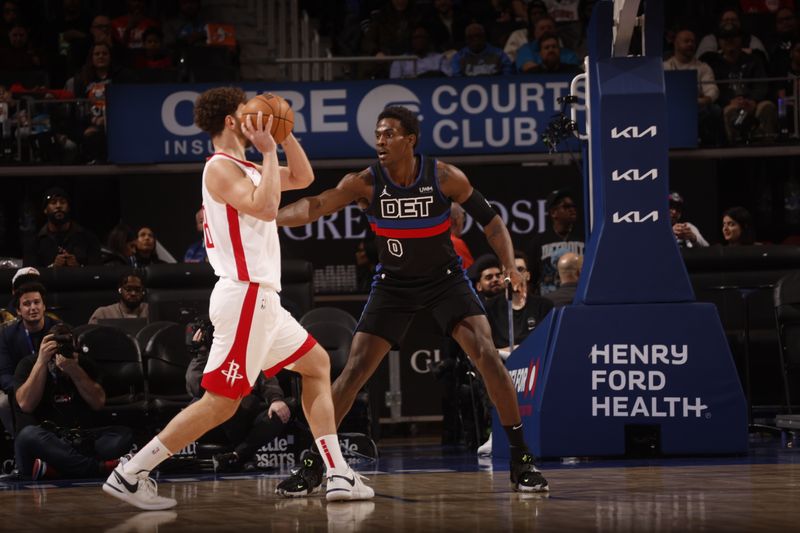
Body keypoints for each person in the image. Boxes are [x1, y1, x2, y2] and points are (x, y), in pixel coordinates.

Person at [102, 86, 373, 510]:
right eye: (247, 113)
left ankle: (337, 471)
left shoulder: (246, 164)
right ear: (231, 121)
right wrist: (267, 151)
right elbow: (266, 209)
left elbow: (302, 179)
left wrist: (282, 138)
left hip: (262, 300)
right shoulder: (219, 168)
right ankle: (131, 473)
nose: (254, 118)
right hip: (246, 297)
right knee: (221, 404)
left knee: (317, 364)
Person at [277, 105, 548, 495]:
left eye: (389, 134)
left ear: (410, 139)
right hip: (395, 285)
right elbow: (316, 205)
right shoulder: (365, 183)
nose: (380, 141)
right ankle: (313, 463)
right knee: (353, 371)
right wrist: (269, 217)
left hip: (445, 280)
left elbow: (492, 223)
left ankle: (521, 459)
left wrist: (511, 266)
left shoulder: (444, 177)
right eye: (378, 134)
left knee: (488, 355)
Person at [14, 322, 134, 480]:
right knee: (28, 435)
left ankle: (58, 469)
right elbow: (26, 404)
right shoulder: (29, 364)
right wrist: (42, 362)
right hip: (47, 440)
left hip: (79, 439)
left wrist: (74, 370)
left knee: (123, 434)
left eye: (66, 344)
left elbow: (98, 402)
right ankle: (97, 468)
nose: (60, 349)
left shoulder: (83, 364)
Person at [184, 318, 293, 472]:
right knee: (201, 404)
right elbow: (195, 388)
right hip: (215, 418)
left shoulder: (251, 350)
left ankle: (236, 456)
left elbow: (268, 381)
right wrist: (200, 353)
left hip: (245, 415)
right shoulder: (207, 354)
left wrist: (276, 400)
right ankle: (243, 456)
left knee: (280, 409)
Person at [0, 282, 58, 436]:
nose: (33, 307)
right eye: (26, 304)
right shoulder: (7, 335)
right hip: (21, 387)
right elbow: (4, 374)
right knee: (7, 402)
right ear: (18, 311)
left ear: (44, 306)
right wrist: (22, 388)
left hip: (53, 385)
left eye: (37, 302)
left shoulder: (58, 329)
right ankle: (18, 443)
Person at [484, 251, 553, 352]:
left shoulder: (544, 306)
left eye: (520, 269)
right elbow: (486, 349)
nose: (515, 275)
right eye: (509, 271)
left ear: (528, 275)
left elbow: (549, 343)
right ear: (502, 278)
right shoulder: (489, 309)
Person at [663, 28, 722, 146]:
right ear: (676, 43)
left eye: (693, 42)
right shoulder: (664, 67)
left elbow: (712, 90)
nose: (691, 44)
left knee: (714, 110)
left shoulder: (703, 67)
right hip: (670, 108)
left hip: (697, 108)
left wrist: (705, 100)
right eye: (686, 41)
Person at [23, 186, 102, 268]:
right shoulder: (35, 242)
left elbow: (97, 273)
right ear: (45, 210)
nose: (58, 206)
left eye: (63, 202)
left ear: (69, 208)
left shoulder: (88, 238)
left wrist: (78, 267)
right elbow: (28, 274)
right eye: (53, 202)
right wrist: (53, 267)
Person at [526, 189, 584, 295]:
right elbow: (531, 280)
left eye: (573, 206)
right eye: (566, 206)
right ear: (553, 212)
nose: (572, 210)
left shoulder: (584, 238)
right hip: (548, 302)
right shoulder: (539, 241)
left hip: (577, 297)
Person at [450, 202, 474, 270]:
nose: (463, 221)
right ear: (456, 221)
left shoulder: (436, 241)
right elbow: (470, 273)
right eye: (462, 218)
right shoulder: (455, 243)